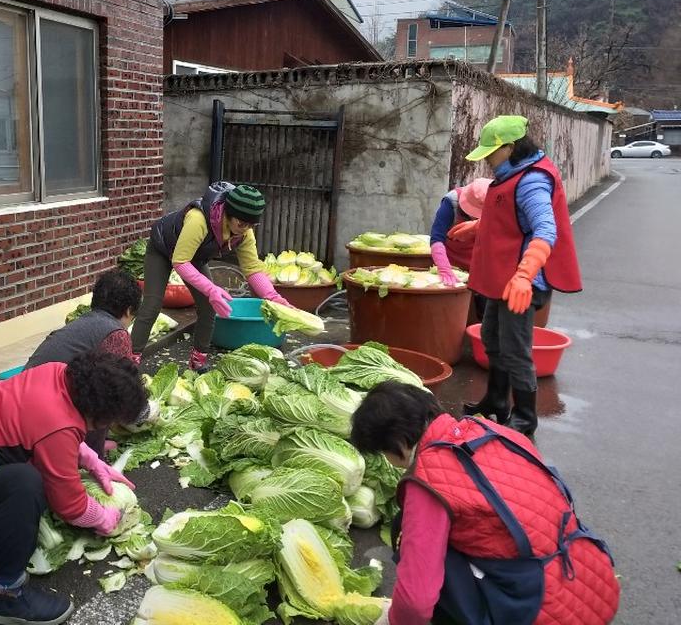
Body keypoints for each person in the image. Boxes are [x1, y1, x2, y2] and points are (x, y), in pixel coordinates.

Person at [351, 381, 619, 625]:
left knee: (406, 531)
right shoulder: (492, 430)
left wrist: (394, 620)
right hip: (591, 585)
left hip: (538, 609)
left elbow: (416, 603)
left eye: (384, 453)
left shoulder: (428, 482)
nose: (389, 461)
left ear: (398, 442)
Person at [0, 352, 147, 625]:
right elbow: (70, 505)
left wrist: (89, 459)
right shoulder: (57, 424)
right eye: (110, 421)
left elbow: (47, 428)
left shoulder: (58, 372)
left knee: (32, 479)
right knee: (25, 483)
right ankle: (8, 596)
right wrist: (104, 518)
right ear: (100, 412)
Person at [462, 115, 581, 436]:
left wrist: (525, 275)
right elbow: (512, 219)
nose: (486, 158)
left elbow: (544, 230)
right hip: (504, 278)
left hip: (521, 283)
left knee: (515, 349)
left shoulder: (532, 181)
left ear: (510, 148)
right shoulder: (512, 173)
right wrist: (476, 228)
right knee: (491, 339)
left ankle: (525, 416)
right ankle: (496, 402)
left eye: (491, 152)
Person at [131, 182, 291, 371]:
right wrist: (211, 288)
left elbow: (252, 269)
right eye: (241, 223)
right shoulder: (198, 219)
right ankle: (129, 361)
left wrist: (272, 297)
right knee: (152, 305)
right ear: (228, 214)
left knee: (208, 307)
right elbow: (180, 262)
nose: (245, 228)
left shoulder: (245, 232)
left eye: (251, 224)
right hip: (162, 249)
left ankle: (197, 362)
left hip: (195, 256)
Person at [25, 268, 143, 455]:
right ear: (129, 310)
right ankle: (91, 454)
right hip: (43, 410)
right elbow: (120, 386)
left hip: (28, 393)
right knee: (104, 396)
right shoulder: (116, 334)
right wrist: (143, 411)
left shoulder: (84, 322)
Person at [428, 177, 492, 286]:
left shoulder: (499, 202)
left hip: (479, 263)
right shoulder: (451, 201)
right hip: (451, 262)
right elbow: (437, 238)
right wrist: (444, 267)